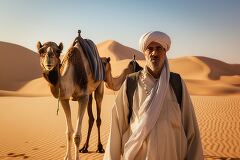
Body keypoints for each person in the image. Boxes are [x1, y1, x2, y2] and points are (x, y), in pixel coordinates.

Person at [103, 31, 203, 160]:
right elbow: (116, 128)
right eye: (150, 48)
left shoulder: (176, 83)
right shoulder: (131, 83)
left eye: (159, 48)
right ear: (144, 52)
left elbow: (191, 130)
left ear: (165, 51)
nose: (154, 53)